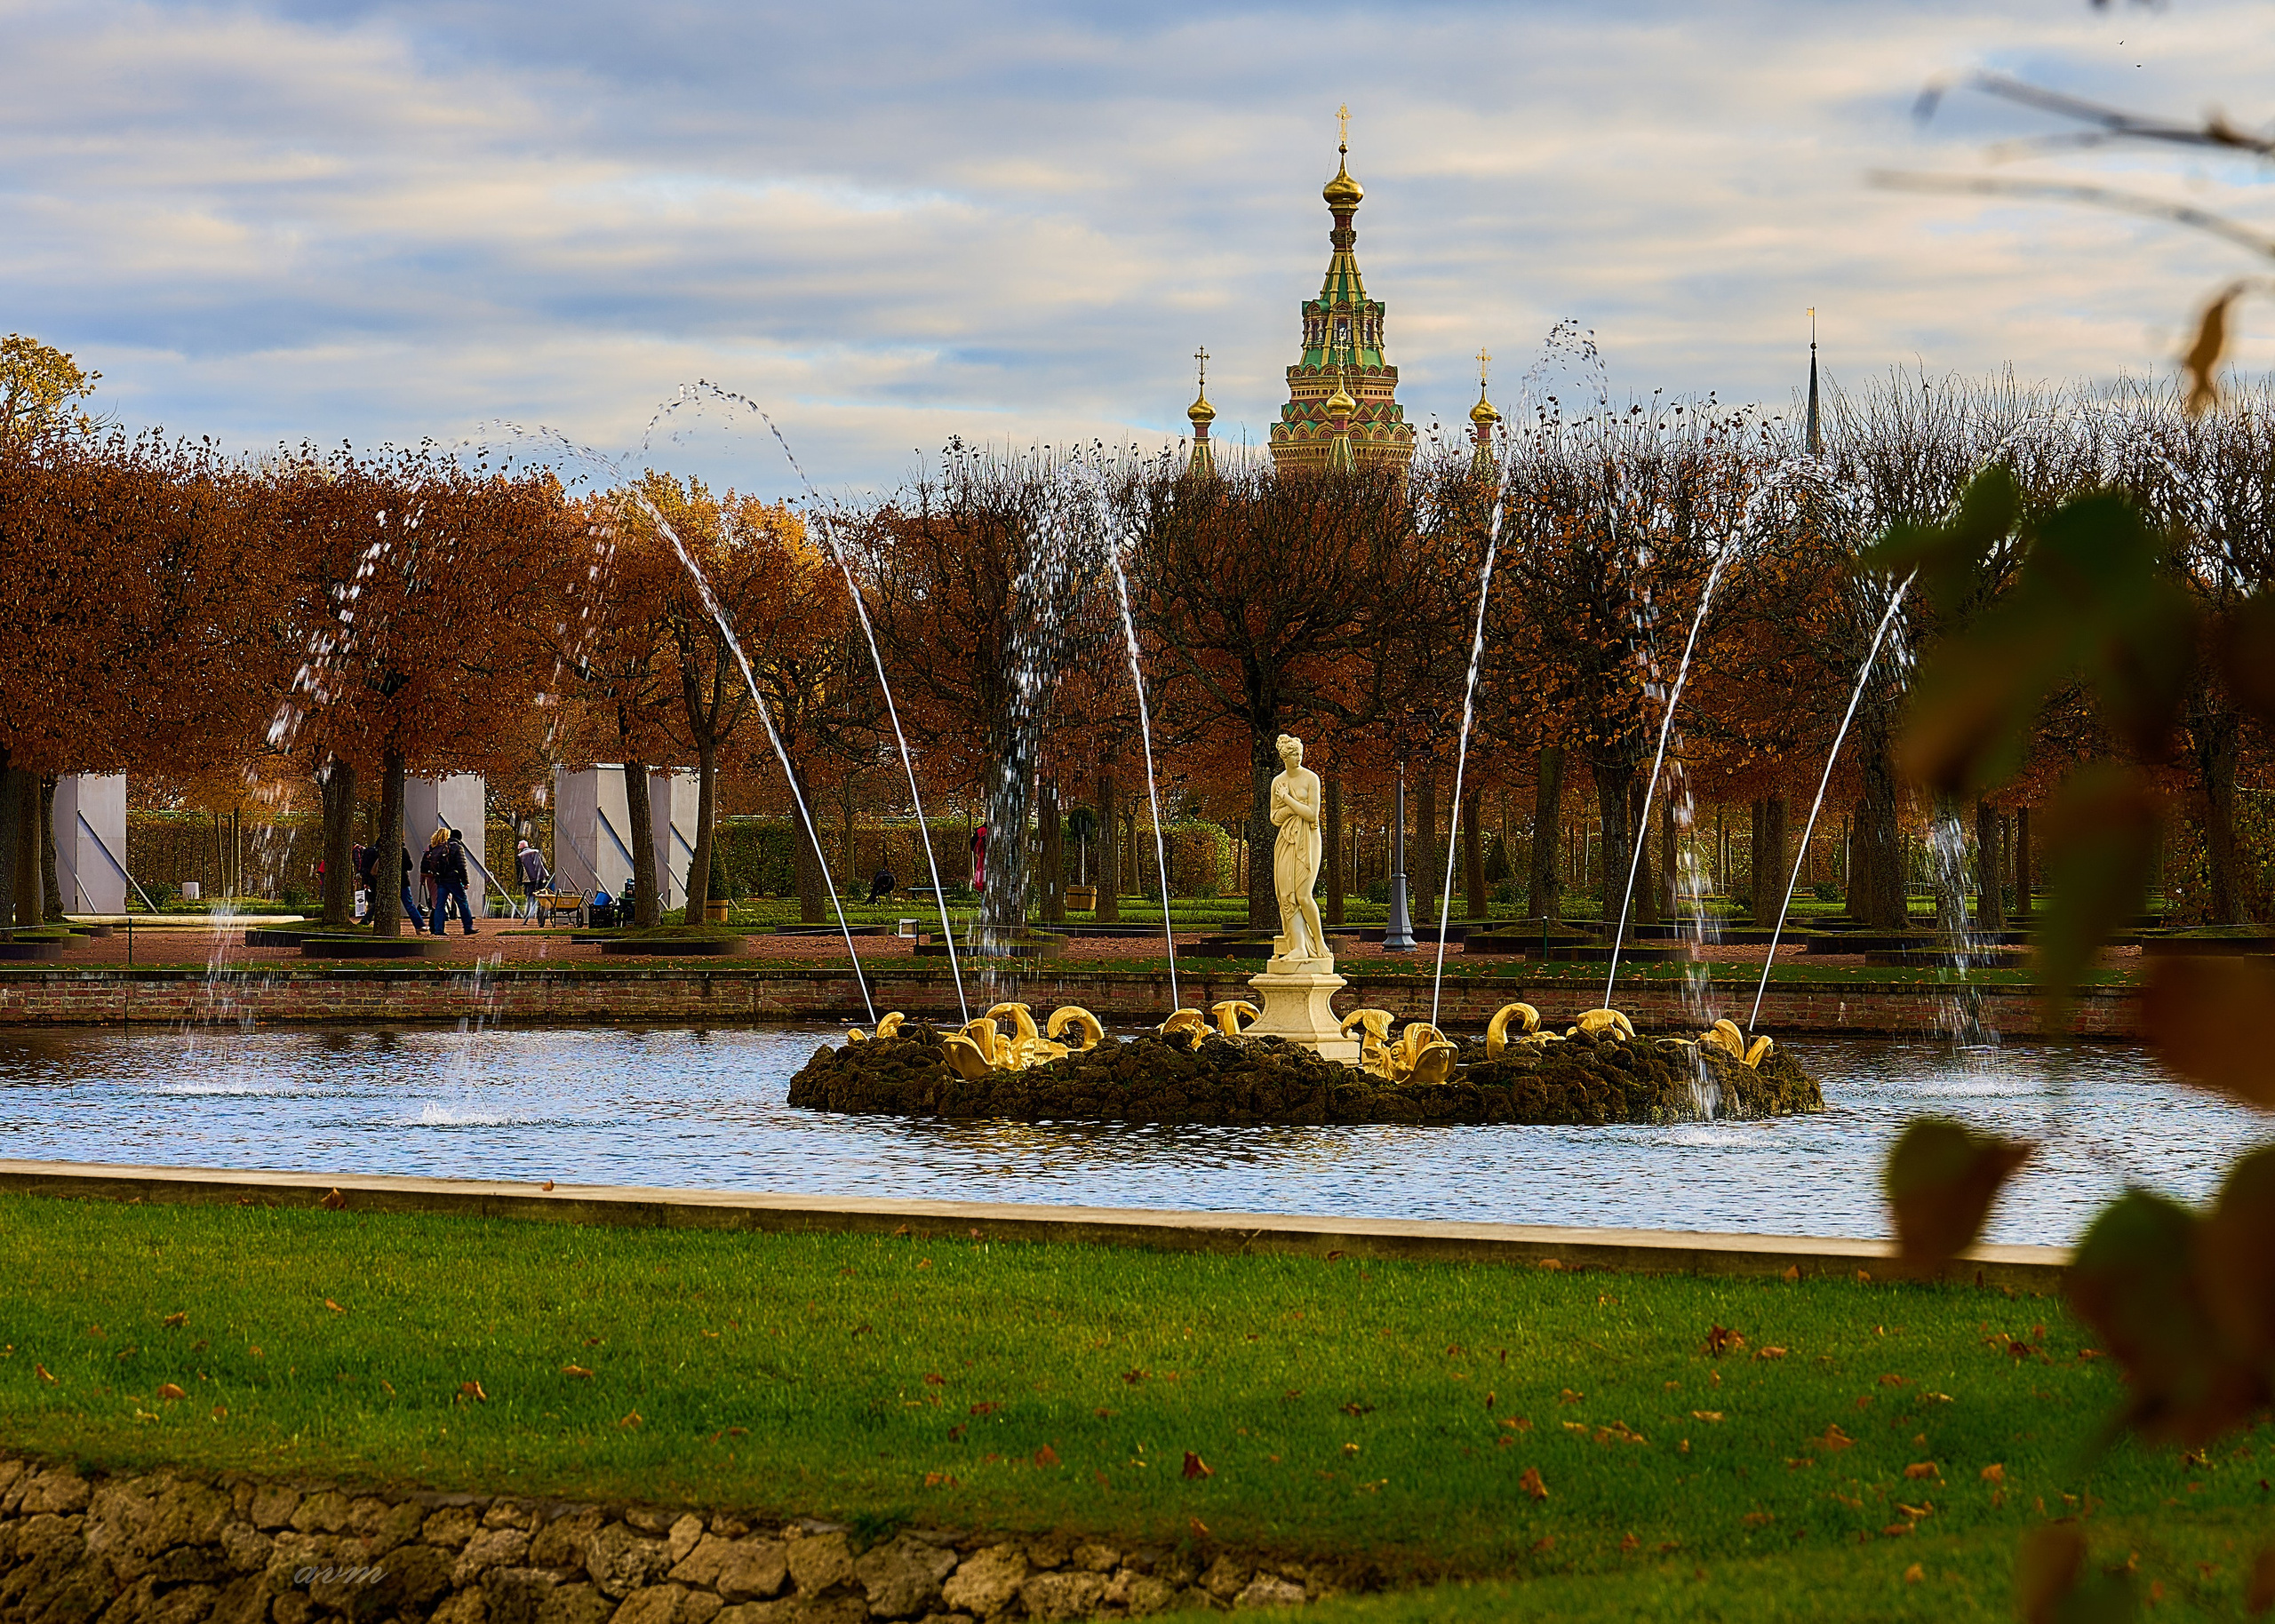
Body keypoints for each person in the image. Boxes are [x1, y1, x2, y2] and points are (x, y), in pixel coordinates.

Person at [1269, 733, 1328, 964]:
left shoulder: (1311, 779)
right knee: (1286, 896)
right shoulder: (1277, 781)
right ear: (1285, 757)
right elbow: (1274, 817)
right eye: (1294, 755)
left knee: (1303, 894)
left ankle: (1320, 941)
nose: (1299, 758)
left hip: (1308, 839)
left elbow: (1312, 814)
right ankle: (1299, 947)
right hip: (1286, 840)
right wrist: (1295, 807)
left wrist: (1288, 800)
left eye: (1300, 754)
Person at [435, 828, 478, 935]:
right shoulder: (458, 848)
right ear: (460, 838)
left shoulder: (441, 847)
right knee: (462, 903)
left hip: (441, 879)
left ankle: (438, 929)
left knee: (440, 905)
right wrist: (465, 881)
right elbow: (461, 866)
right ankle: (468, 927)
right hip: (454, 879)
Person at [515, 840, 550, 923]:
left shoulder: (519, 856)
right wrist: (547, 874)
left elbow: (519, 870)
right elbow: (543, 864)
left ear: (520, 848)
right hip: (541, 878)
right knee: (541, 896)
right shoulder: (536, 851)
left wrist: (519, 881)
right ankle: (542, 913)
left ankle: (529, 914)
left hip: (528, 880)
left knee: (530, 898)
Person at [397, 842, 427, 934]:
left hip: (384, 881)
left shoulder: (380, 850)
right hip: (402, 881)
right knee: (409, 904)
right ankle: (419, 925)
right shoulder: (402, 850)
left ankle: (365, 921)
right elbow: (409, 866)